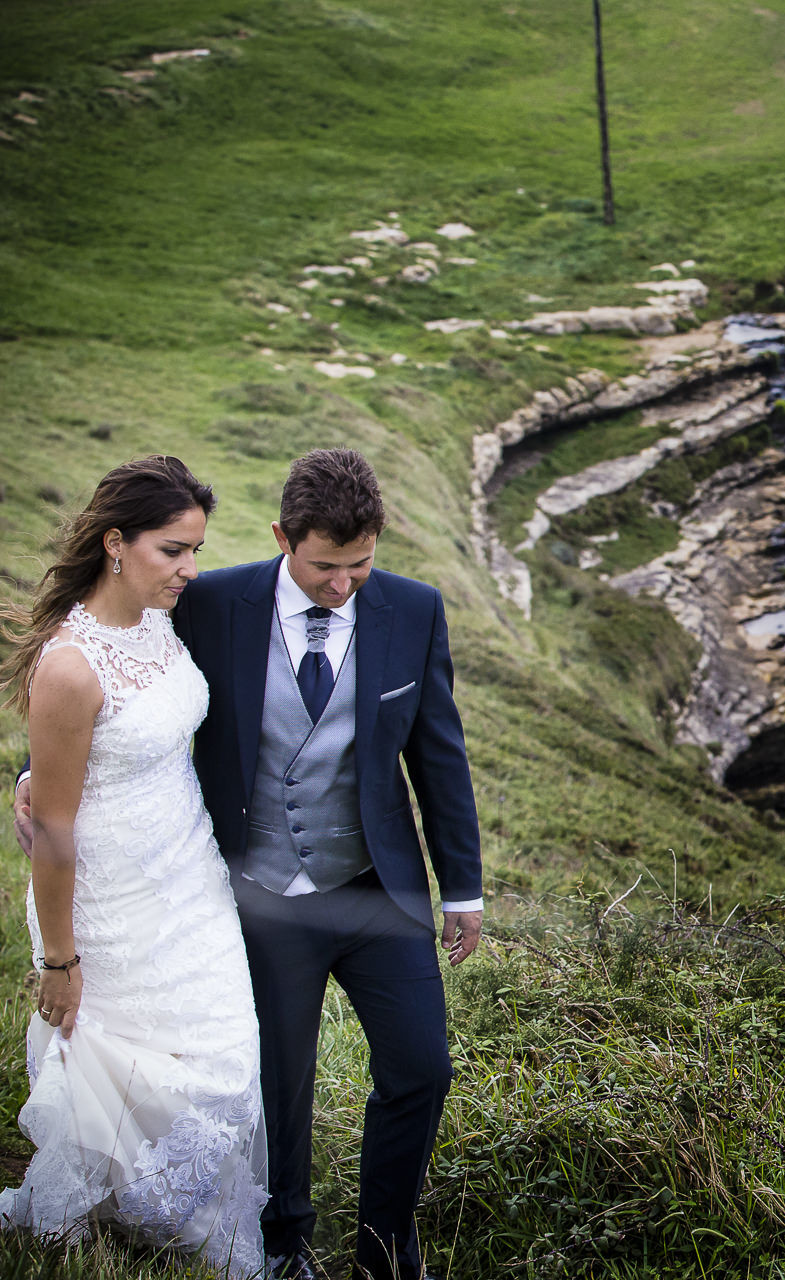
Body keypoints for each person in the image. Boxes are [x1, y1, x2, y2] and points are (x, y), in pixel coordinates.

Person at [15, 448, 484, 1280]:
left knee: (423, 1068)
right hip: (256, 892)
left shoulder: (412, 611)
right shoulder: (213, 601)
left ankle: (386, 1250)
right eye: (325, 567)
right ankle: (286, 1243)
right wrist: (35, 781)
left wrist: (464, 889)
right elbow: (115, 696)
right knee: (277, 1081)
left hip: (377, 889)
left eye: (362, 565)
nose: (346, 585)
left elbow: (438, 756)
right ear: (282, 539)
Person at [0, 455, 268, 1277]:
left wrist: (27, 776)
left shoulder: (159, 620)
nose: (190, 569)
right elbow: (54, 829)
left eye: (195, 550)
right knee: (124, 1054)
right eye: (172, 550)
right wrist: (60, 957)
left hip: (190, 876)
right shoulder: (71, 665)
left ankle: (186, 1218)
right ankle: (116, 1217)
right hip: (111, 898)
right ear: (115, 543)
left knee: (223, 1048)